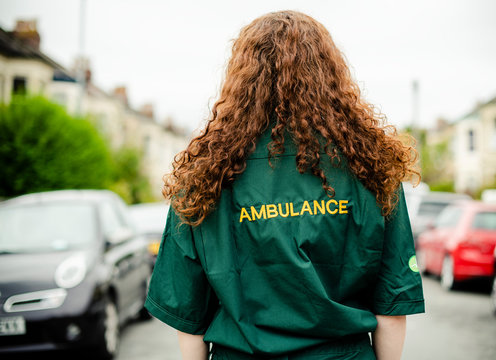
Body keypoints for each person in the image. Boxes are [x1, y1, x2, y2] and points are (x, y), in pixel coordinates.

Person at [145, 10, 424, 360]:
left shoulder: (204, 175)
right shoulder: (371, 167)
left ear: (242, 78)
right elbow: (392, 307)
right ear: (328, 73)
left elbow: (189, 321)